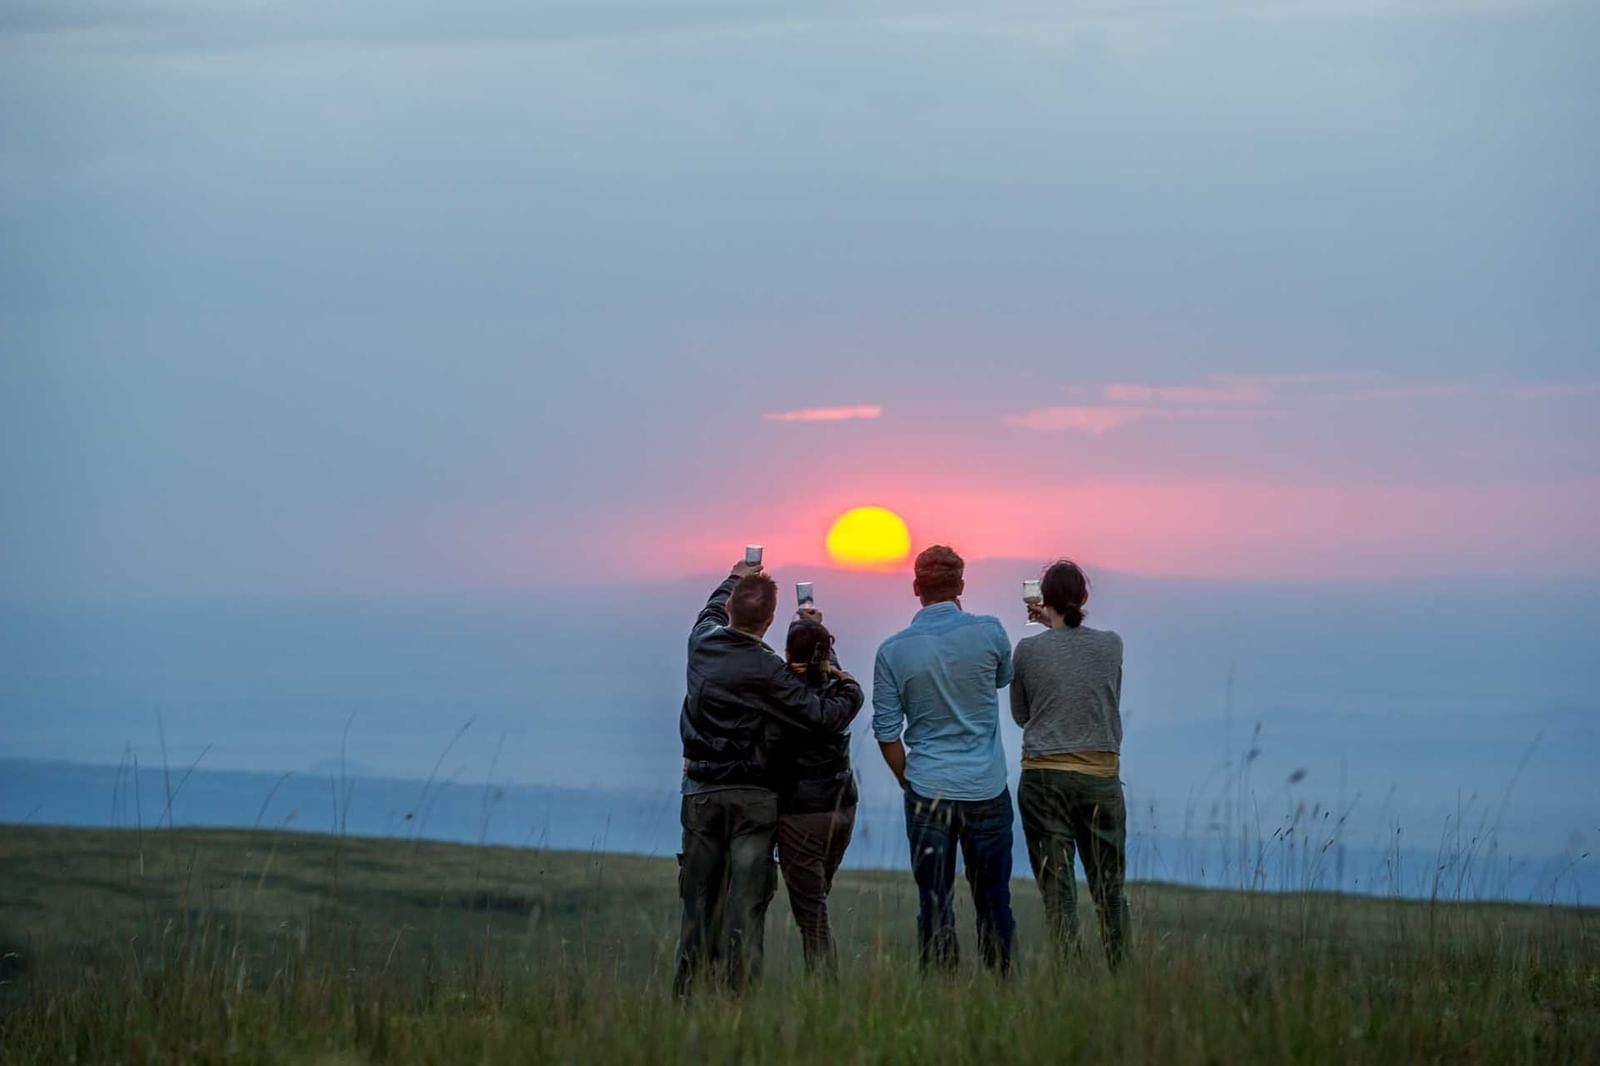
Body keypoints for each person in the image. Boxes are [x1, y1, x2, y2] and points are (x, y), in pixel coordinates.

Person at [674, 559, 862, 997]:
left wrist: (736, 575)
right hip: (756, 800)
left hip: (701, 793)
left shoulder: (700, 642)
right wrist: (844, 679)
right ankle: (739, 1000)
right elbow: (820, 715)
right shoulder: (770, 669)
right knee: (746, 905)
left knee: (697, 903)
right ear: (771, 620)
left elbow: (710, 610)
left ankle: (685, 998)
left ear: (730, 607)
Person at [873, 545, 1017, 974]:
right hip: (986, 786)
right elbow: (1002, 679)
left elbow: (886, 733)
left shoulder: (892, 651)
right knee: (994, 899)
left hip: (926, 787)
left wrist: (909, 780)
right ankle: (1002, 987)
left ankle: (941, 992)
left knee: (933, 902)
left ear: (916, 588)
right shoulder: (991, 632)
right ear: (961, 587)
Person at [1011, 559, 1130, 969]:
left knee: (1058, 890)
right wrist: (1055, 624)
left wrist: (1048, 627)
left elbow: (1021, 715)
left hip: (1044, 777)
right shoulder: (1112, 644)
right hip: (1100, 776)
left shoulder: (1027, 651)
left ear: (1043, 599)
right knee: (1109, 887)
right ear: (1084, 597)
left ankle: (1070, 975)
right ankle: (1120, 971)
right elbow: (1093, 683)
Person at [772, 612, 860, 973]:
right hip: (842, 807)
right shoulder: (845, 694)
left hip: (801, 813)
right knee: (817, 898)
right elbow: (833, 675)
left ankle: (824, 996)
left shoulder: (781, 696)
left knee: (812, 917)